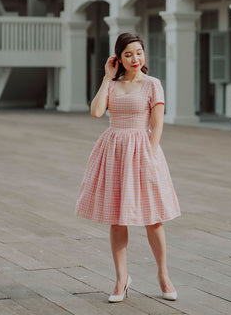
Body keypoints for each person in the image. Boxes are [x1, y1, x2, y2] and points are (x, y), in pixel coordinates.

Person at [75, 32, 181, 303]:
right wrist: (107, 78)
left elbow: (157, 125)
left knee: (153, 219)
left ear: (144, 55)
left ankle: (163, 274)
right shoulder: (113, 84)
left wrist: (150, 155)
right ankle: (121, 279)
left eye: (139, 52)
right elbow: (97, 112)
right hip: (114, 151)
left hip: (143, 150)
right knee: (117, 219)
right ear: (118, 58)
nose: (135, 58)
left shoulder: (152, 84)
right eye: (128, 54)